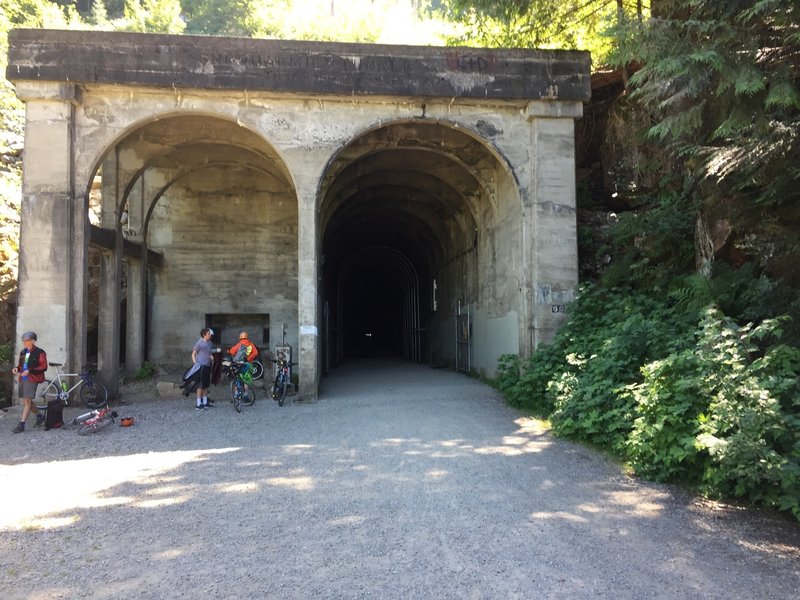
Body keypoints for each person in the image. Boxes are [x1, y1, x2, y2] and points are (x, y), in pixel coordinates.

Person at [11, 331, 48, 433]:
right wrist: (17, 369)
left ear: (33, 341)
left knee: (27, 401)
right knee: (27, 401)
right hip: (22, 378)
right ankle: (39, 416)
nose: (25, 343)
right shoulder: (23, 352)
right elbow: (20, 366)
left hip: (32, 378)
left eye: (27, 341)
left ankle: (21, 424)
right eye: (24, 341)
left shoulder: (40, 352)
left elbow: (43, 367)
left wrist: (29, 371)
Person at [191, 328, 216, 411]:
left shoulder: (210, 343)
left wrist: (211, 357)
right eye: (208, 333)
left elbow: (209, 353)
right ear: (204, 335)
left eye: (210, 333)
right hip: (201, 366)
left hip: (208, 366)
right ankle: (198, 404)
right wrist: (195, 363)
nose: (210, 335)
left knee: (206, 385)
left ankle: (205, 403)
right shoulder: (199, 343)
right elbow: (193, 353)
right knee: (200, 385)